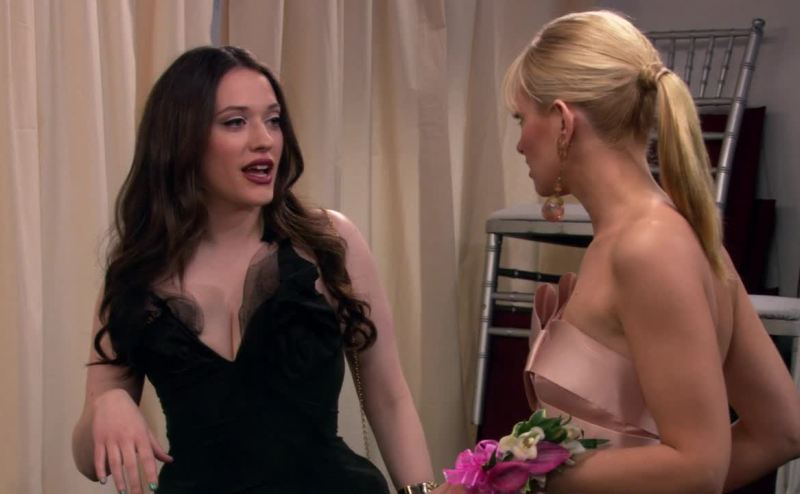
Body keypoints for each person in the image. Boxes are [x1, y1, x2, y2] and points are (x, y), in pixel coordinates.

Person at [459, 10, 800, 493]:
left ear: (563, 121)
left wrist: (522, 479)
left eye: (522, 118)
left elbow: (699, 467)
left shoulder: (648, 248)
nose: (519, 144)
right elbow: (780, 429)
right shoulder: (660, 236)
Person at [72, 45, 438, 494]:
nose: (265, 140)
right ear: (181, 138)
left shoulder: (328, 242)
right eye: (235, 122)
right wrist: (107, 403)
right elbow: (88, 461)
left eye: (274, 120)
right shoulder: (135, 276)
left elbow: (389, 397)